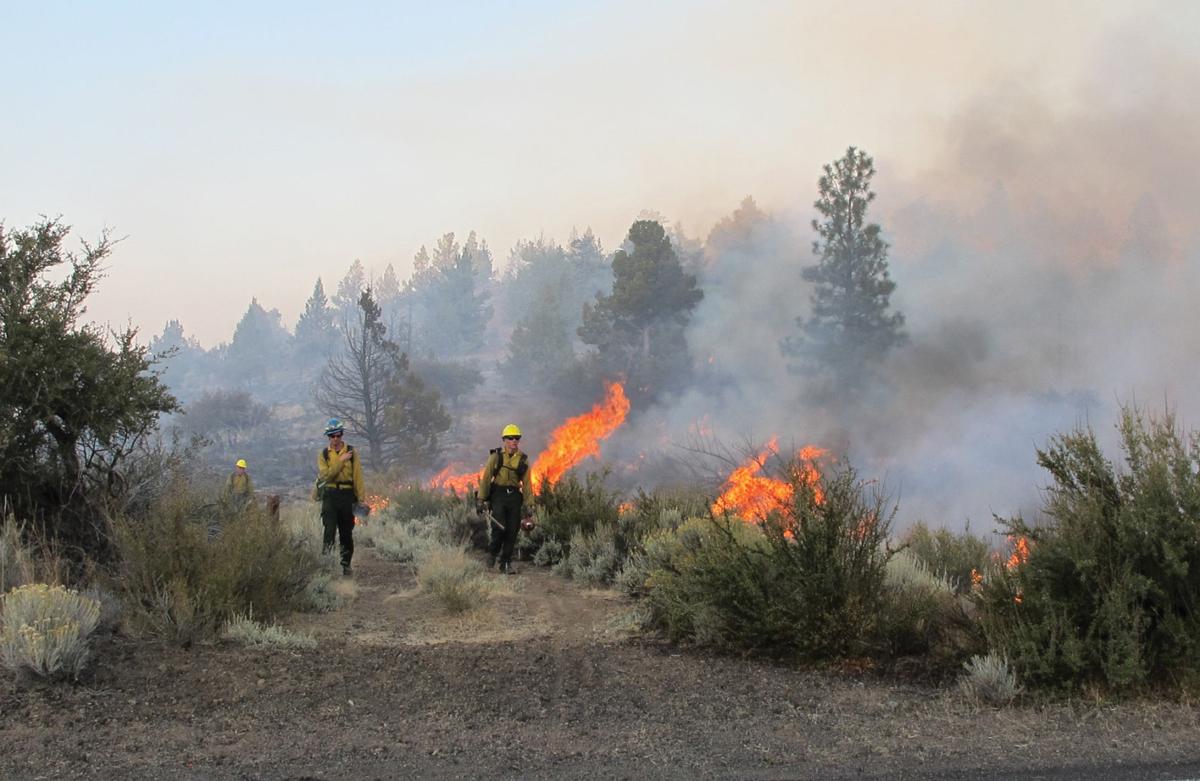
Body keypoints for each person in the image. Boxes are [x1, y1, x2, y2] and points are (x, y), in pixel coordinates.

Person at [478, 424, 532, 574]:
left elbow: (527, 484)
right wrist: (481, 499)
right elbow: (486, 478)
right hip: (498, 495)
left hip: (514, 497)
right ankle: (492, 554)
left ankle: (506, 563)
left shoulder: (523, 460)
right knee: (499, 527)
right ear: (504, 440)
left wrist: (529, 504)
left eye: (517, 438)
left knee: (512, 531)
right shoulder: (496, 457)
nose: (514, 441)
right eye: (510, 438)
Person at [317, 418, 364, 576]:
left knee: (346, 533)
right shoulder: (324, 454)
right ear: (328, 437)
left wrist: (361, 498)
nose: (335, 439)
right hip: (330, 495)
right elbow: (326, 476)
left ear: (342, 435)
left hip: (347, 496)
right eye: (332, 436)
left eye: (338, 435)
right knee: (329, 531)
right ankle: (327, 567)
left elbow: (358, 476)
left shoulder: (351, 452)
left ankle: (346, 565)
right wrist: (341, 460)